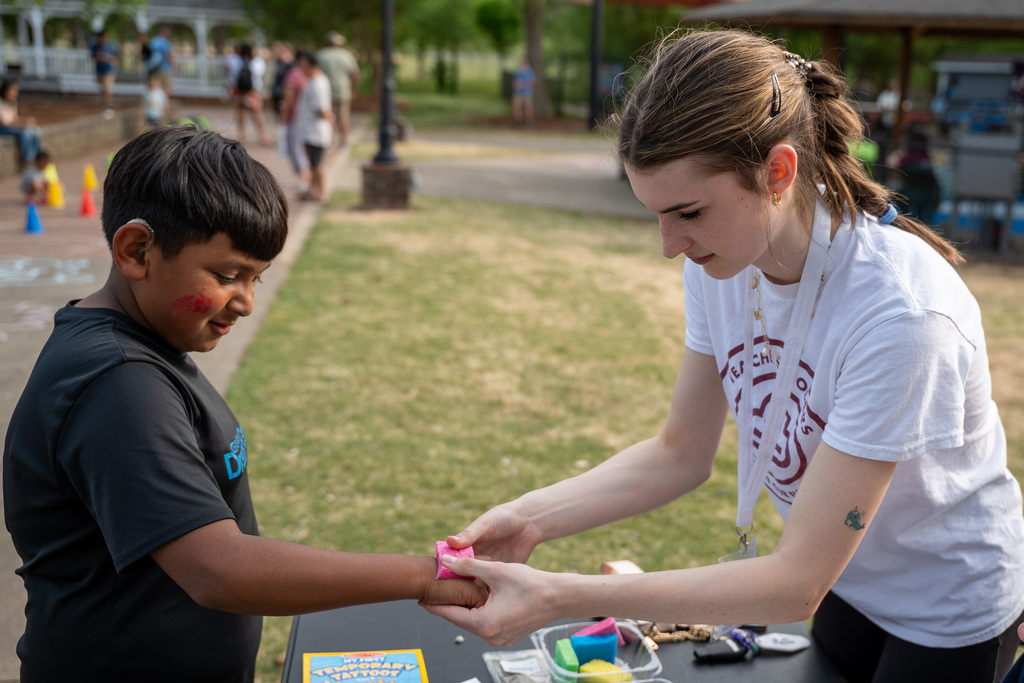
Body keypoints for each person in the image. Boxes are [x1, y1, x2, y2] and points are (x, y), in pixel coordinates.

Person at [424, 29, 1024, 683]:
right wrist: (530, 517)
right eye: (655, 213)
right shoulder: (723, 262)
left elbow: (795, 585)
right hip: (852, 582)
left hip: (947, 606)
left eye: (687, 212)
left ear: (778, 172)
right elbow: (680, 453)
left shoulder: (902, 316)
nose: (668, 244)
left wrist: (560, 596)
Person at [1, 125, 485, 682]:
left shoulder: (145, 344)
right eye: (227, 275)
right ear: (137, 251)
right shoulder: (118, 384)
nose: (247, 302)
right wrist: (428, 577)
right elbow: (218, 569)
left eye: (257, 277)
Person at [293, 50, 333, 202]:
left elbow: (321, 108)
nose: (300, 69)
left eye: (303, 66)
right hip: (311, 130)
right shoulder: (315, 80)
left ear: (311, 65)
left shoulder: (317, 84)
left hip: (316, 131)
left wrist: (330, 119)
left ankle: (321, 192)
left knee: (317, 163)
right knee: (312, 163)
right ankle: (313, 189)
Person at [316, 31, 359, 148]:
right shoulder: (347, 55)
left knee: (328, 118)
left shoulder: (321, 55)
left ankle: (328, 142)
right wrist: (353, 88)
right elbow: (354, 74)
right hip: (343, 91)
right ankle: (344, 142)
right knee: (343, 118)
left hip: (325, 92)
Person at [278, 44, 311, 193]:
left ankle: (304, 179)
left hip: (296, 118)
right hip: (305, 118)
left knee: (296, 149)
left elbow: (288, 96)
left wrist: (283, 113)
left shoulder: (295, 74)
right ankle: (306, 178)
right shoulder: (308, 74)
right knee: (302, 148)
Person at [229, 43, 271, 146]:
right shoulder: (257, 61)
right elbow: (261, 74)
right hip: (253, 91)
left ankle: (242, 135)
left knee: (240, 112)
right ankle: (262, 135)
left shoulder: (234, 60)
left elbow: (229, 71)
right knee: (257, 113)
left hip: (239, 90)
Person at [0, 79, 42, 166]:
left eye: (16, 91)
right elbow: (3, 122)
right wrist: (21, 125)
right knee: (26, 133)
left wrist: (26, 121)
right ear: (5, 90)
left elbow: (15, 118)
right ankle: (27, 159)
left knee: (36, 130)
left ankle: (37, 156)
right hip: (2, 128)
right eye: (12, 90)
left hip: (10, 126)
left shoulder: (12, 102)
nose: (15, 93)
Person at [91, 30, 119, 114]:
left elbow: (116, 58)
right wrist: (99, 57)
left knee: (107, 88)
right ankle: (105, 104)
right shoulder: (96, 47)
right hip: (100, 70)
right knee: (103, 89)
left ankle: (109, 106)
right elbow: (93, 56)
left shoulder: (111, 46)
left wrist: (109, 59)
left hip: (109, 70)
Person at [146, 25, 176, 96]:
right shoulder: (165, 42)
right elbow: (168, 55)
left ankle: (155, 104)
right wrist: (174, 65)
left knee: (154, 87)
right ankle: (164, 104)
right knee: (166, 88)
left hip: (153, 69)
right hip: (165, 68)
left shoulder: (152, 41)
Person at [512, 58, 535, 127]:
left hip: (527, 93)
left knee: (528, 107)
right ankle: (518, 120)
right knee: (517, 107)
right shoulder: (518, 72)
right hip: (518, 92)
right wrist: (517, 84)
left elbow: (532, 82)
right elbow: (515, 82)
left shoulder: (530, 72)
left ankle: (529, 121)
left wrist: (523, 83)